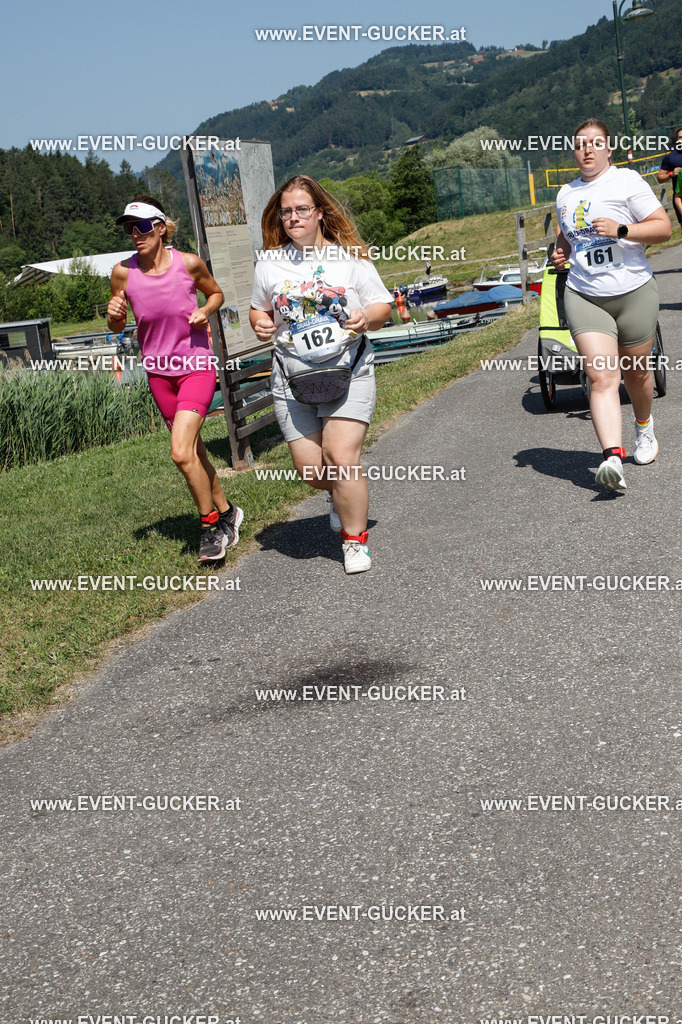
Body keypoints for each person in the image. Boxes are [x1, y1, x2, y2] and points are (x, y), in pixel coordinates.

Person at [249, 175, 392, 574]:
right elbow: (258, 308)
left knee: (341, 458)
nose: (293, 218)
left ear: (319, 213)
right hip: (291, 376)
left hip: (349, 369)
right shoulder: (269, 263)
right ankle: (341, 495)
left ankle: (354, 540)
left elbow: (382, 306)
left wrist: (366, 318)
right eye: (286, 212)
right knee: (312, 471)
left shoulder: (350, 258)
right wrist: (260, 322)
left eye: (301, 210)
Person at [107, 195, 243, 561]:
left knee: (181, 453)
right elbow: (117, 325)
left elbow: (216, 294)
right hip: (158, 374)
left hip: (195, 366)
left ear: (160, 227)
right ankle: (228, 512)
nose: (135, 234)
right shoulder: (122, 272)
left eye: (142, 227)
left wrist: (205, 310)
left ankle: (210, 529)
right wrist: (114, 315)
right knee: (195, 452)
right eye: (129, 228)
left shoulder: (188, 263)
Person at [552, 119, 671, 492]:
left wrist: (622, 230)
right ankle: (612, 459)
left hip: (633, 291)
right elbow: (566, 236)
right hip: (585, 294)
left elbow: (663, 228)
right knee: (602, 376)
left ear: (608, 148)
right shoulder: (565, 193)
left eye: (594, 143)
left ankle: (644, 427)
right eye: (580, 144)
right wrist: (560, 253)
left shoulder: (627, 182)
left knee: (636, 374)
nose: (586, 149)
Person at [656, 126, 682, 231]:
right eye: (680, 137)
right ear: (677, 140)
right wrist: (671, 174)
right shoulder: (670, 157)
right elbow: (660, 177)